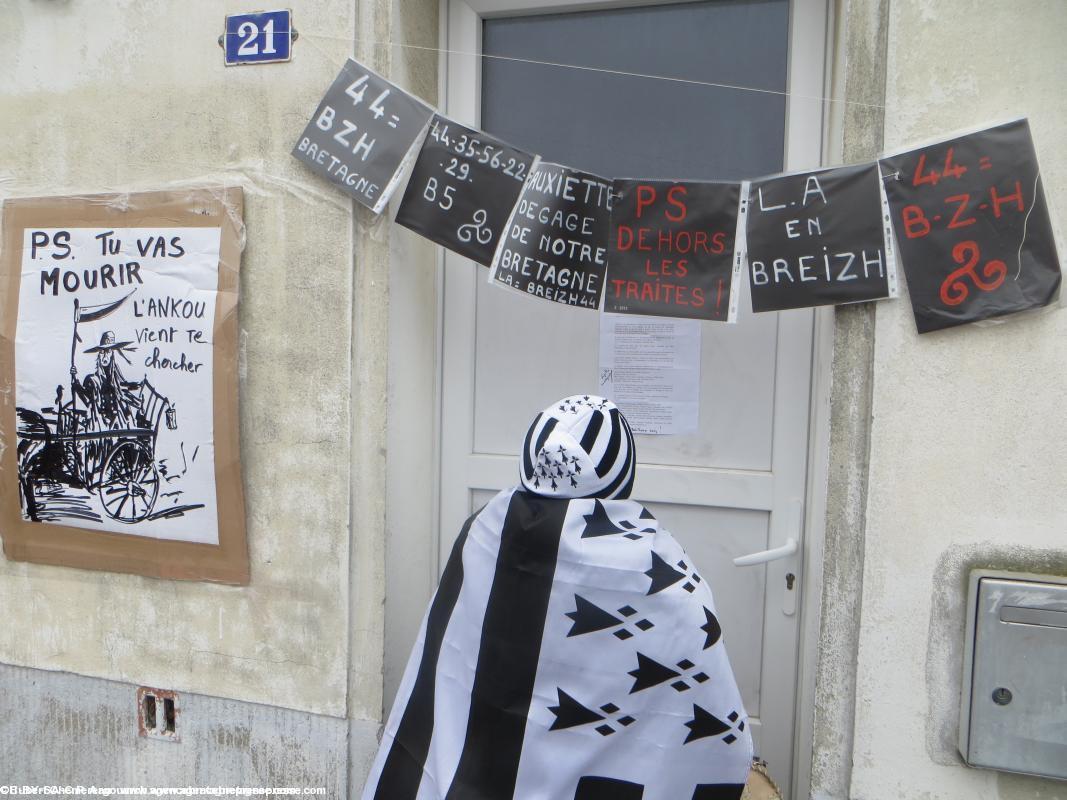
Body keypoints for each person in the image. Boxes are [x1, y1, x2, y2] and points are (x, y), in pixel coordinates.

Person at [362, 395, 753, 800]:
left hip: (475, 773)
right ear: (622, 472)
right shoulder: (653, 566)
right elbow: (699, 689)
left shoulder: (483, 530)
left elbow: (450, 664)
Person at [70, 330, 140, 430]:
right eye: (103, 351)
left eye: (109, 351)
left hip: (117, 421)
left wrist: (134, 386)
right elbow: (85, 397)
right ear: (99, 355)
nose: (106, 355)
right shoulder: (92, 380)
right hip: (100, 422)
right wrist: (75, 379)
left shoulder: (116, 378)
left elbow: (123, 388)